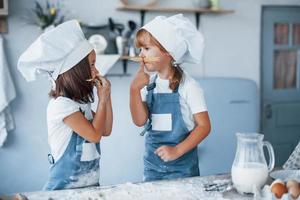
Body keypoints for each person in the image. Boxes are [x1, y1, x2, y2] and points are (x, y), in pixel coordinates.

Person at [17, 20, 113, 190]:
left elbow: (105, 129)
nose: (97, 71)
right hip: (63, 191)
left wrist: (107, 97)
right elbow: (94, 135)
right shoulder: (62, 106)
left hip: (89, 188)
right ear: (75, 70)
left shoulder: (81, 103)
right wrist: (103, 100)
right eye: (92, 65)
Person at [130, 14, 211, 181]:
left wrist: (177, 151)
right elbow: (139, 121)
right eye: (140, 49)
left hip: (183, 171)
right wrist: (134, 90)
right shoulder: (148, 84)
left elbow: (204, 126)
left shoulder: (189, 87)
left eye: (146, 48)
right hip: (152, 169)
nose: (141, 55)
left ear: (167, 52)